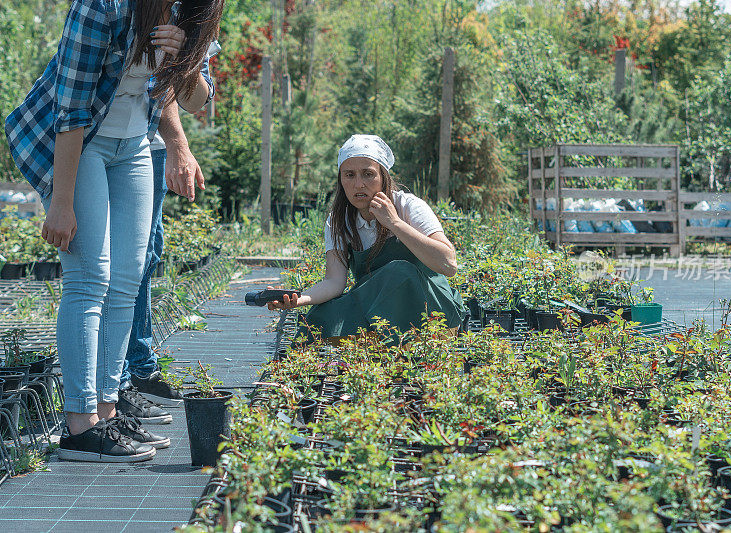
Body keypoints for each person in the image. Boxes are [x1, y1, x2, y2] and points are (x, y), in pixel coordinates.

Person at [4, 0, 223, 462]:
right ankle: (80, 425)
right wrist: (61, 201)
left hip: (135, 144)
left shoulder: (190, 11)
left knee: (127, 277)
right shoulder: (104, 5)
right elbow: (70, 106)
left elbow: (200, 100)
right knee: (90, 279)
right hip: (82, 141)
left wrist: (183, 59)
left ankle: (107, 411)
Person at [267, 134, 466, 342]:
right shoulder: (339, 221)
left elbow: (449, 264)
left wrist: (394, 223)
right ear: (341, 180)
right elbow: (334, 282)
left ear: (383, 177)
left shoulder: (408, 207)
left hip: (429, 306)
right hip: (377, 305)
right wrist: (297, 300)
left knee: (398, 272)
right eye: (350, 175)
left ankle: (390, 341)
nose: (359, 184)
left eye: (368, 174)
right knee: (319, 319)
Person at [117, 40, 222, 425]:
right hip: (116, 138)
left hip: (152, 142)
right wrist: (179, 141)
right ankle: (118, 381)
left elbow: (198, 97)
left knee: (147, 254)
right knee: (123, 262)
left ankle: (139, 367)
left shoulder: (200, 17)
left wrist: (188, 54)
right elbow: (153, 82)